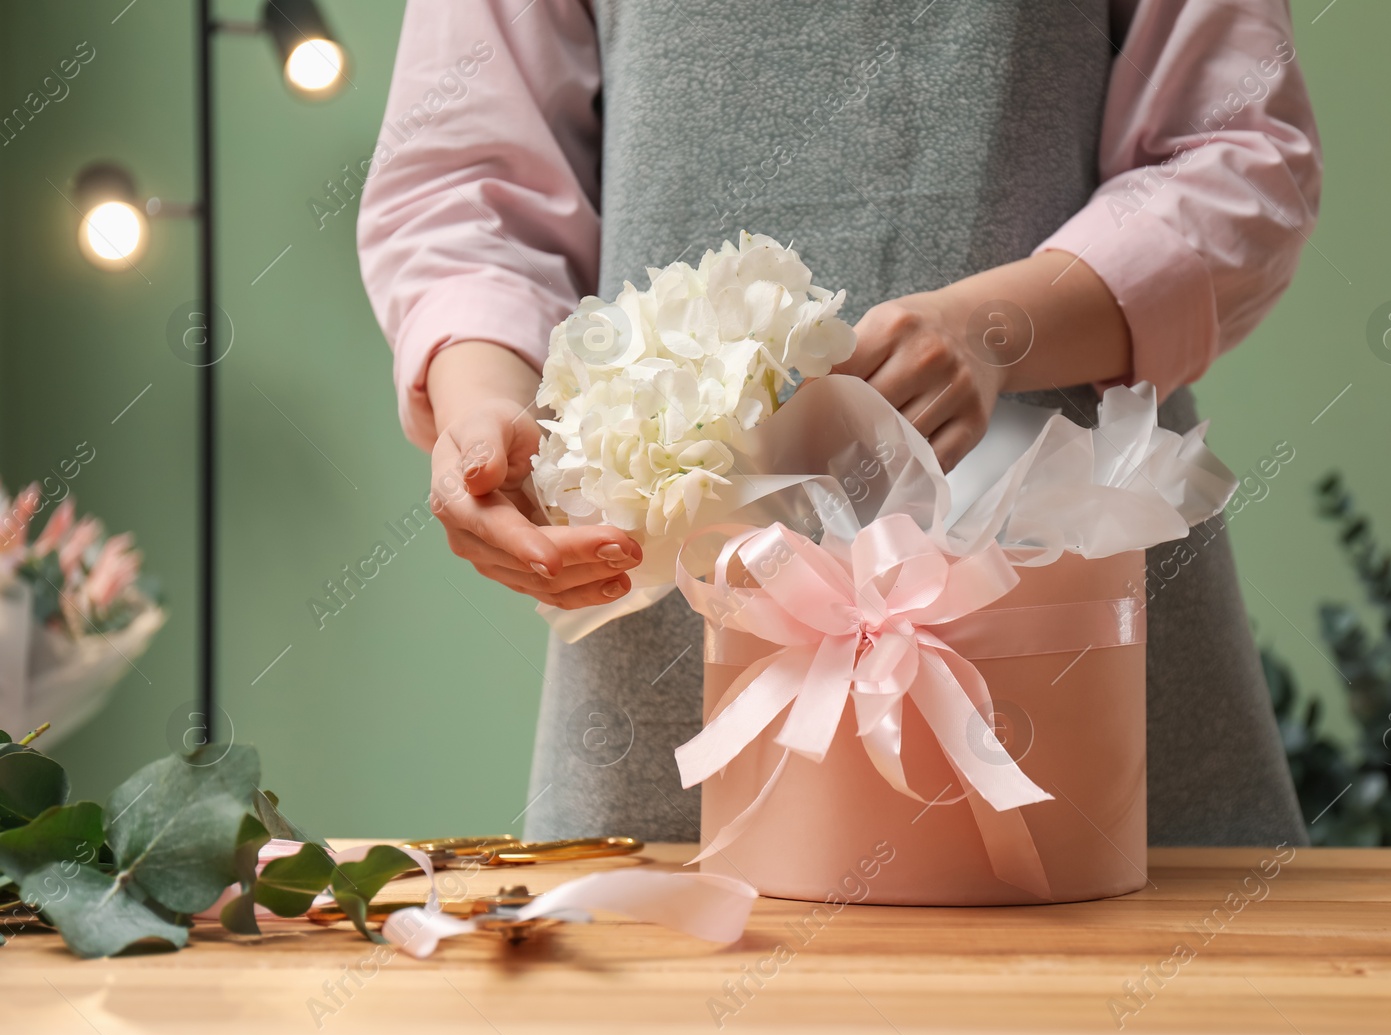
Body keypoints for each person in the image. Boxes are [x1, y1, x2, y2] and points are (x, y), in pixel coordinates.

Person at [358, 0, 1321, 848]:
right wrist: (483, 399)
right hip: (679, 634)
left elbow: (1237, 153)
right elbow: (460, 184)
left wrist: (998, 330)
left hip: (1056, 599)